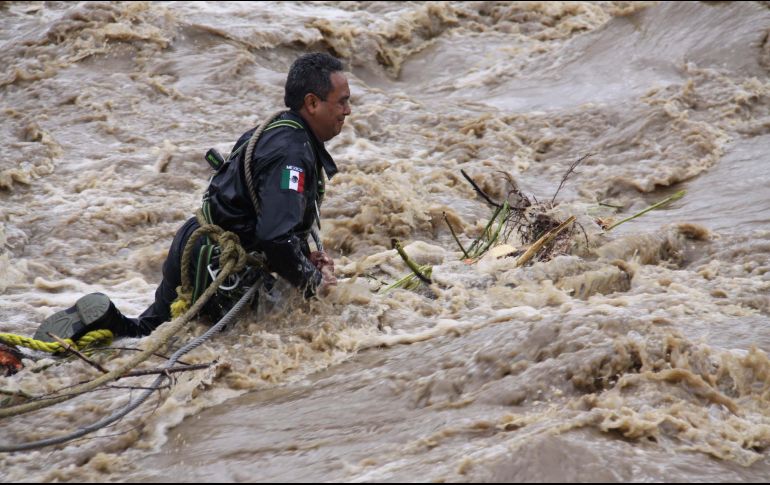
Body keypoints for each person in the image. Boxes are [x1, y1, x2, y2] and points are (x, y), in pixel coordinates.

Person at [34, 52, 351, 342]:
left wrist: (303, 258)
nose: (347, 111)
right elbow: (275, 238)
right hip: (219, 267)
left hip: (195, 241)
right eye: (342, 102)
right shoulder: (292, 153)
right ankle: (79, 344)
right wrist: (314, 282)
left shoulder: (274, 130)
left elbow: (259, 215)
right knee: (260, 338)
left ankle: (93, 327)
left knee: (150, 334)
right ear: (312, 103)